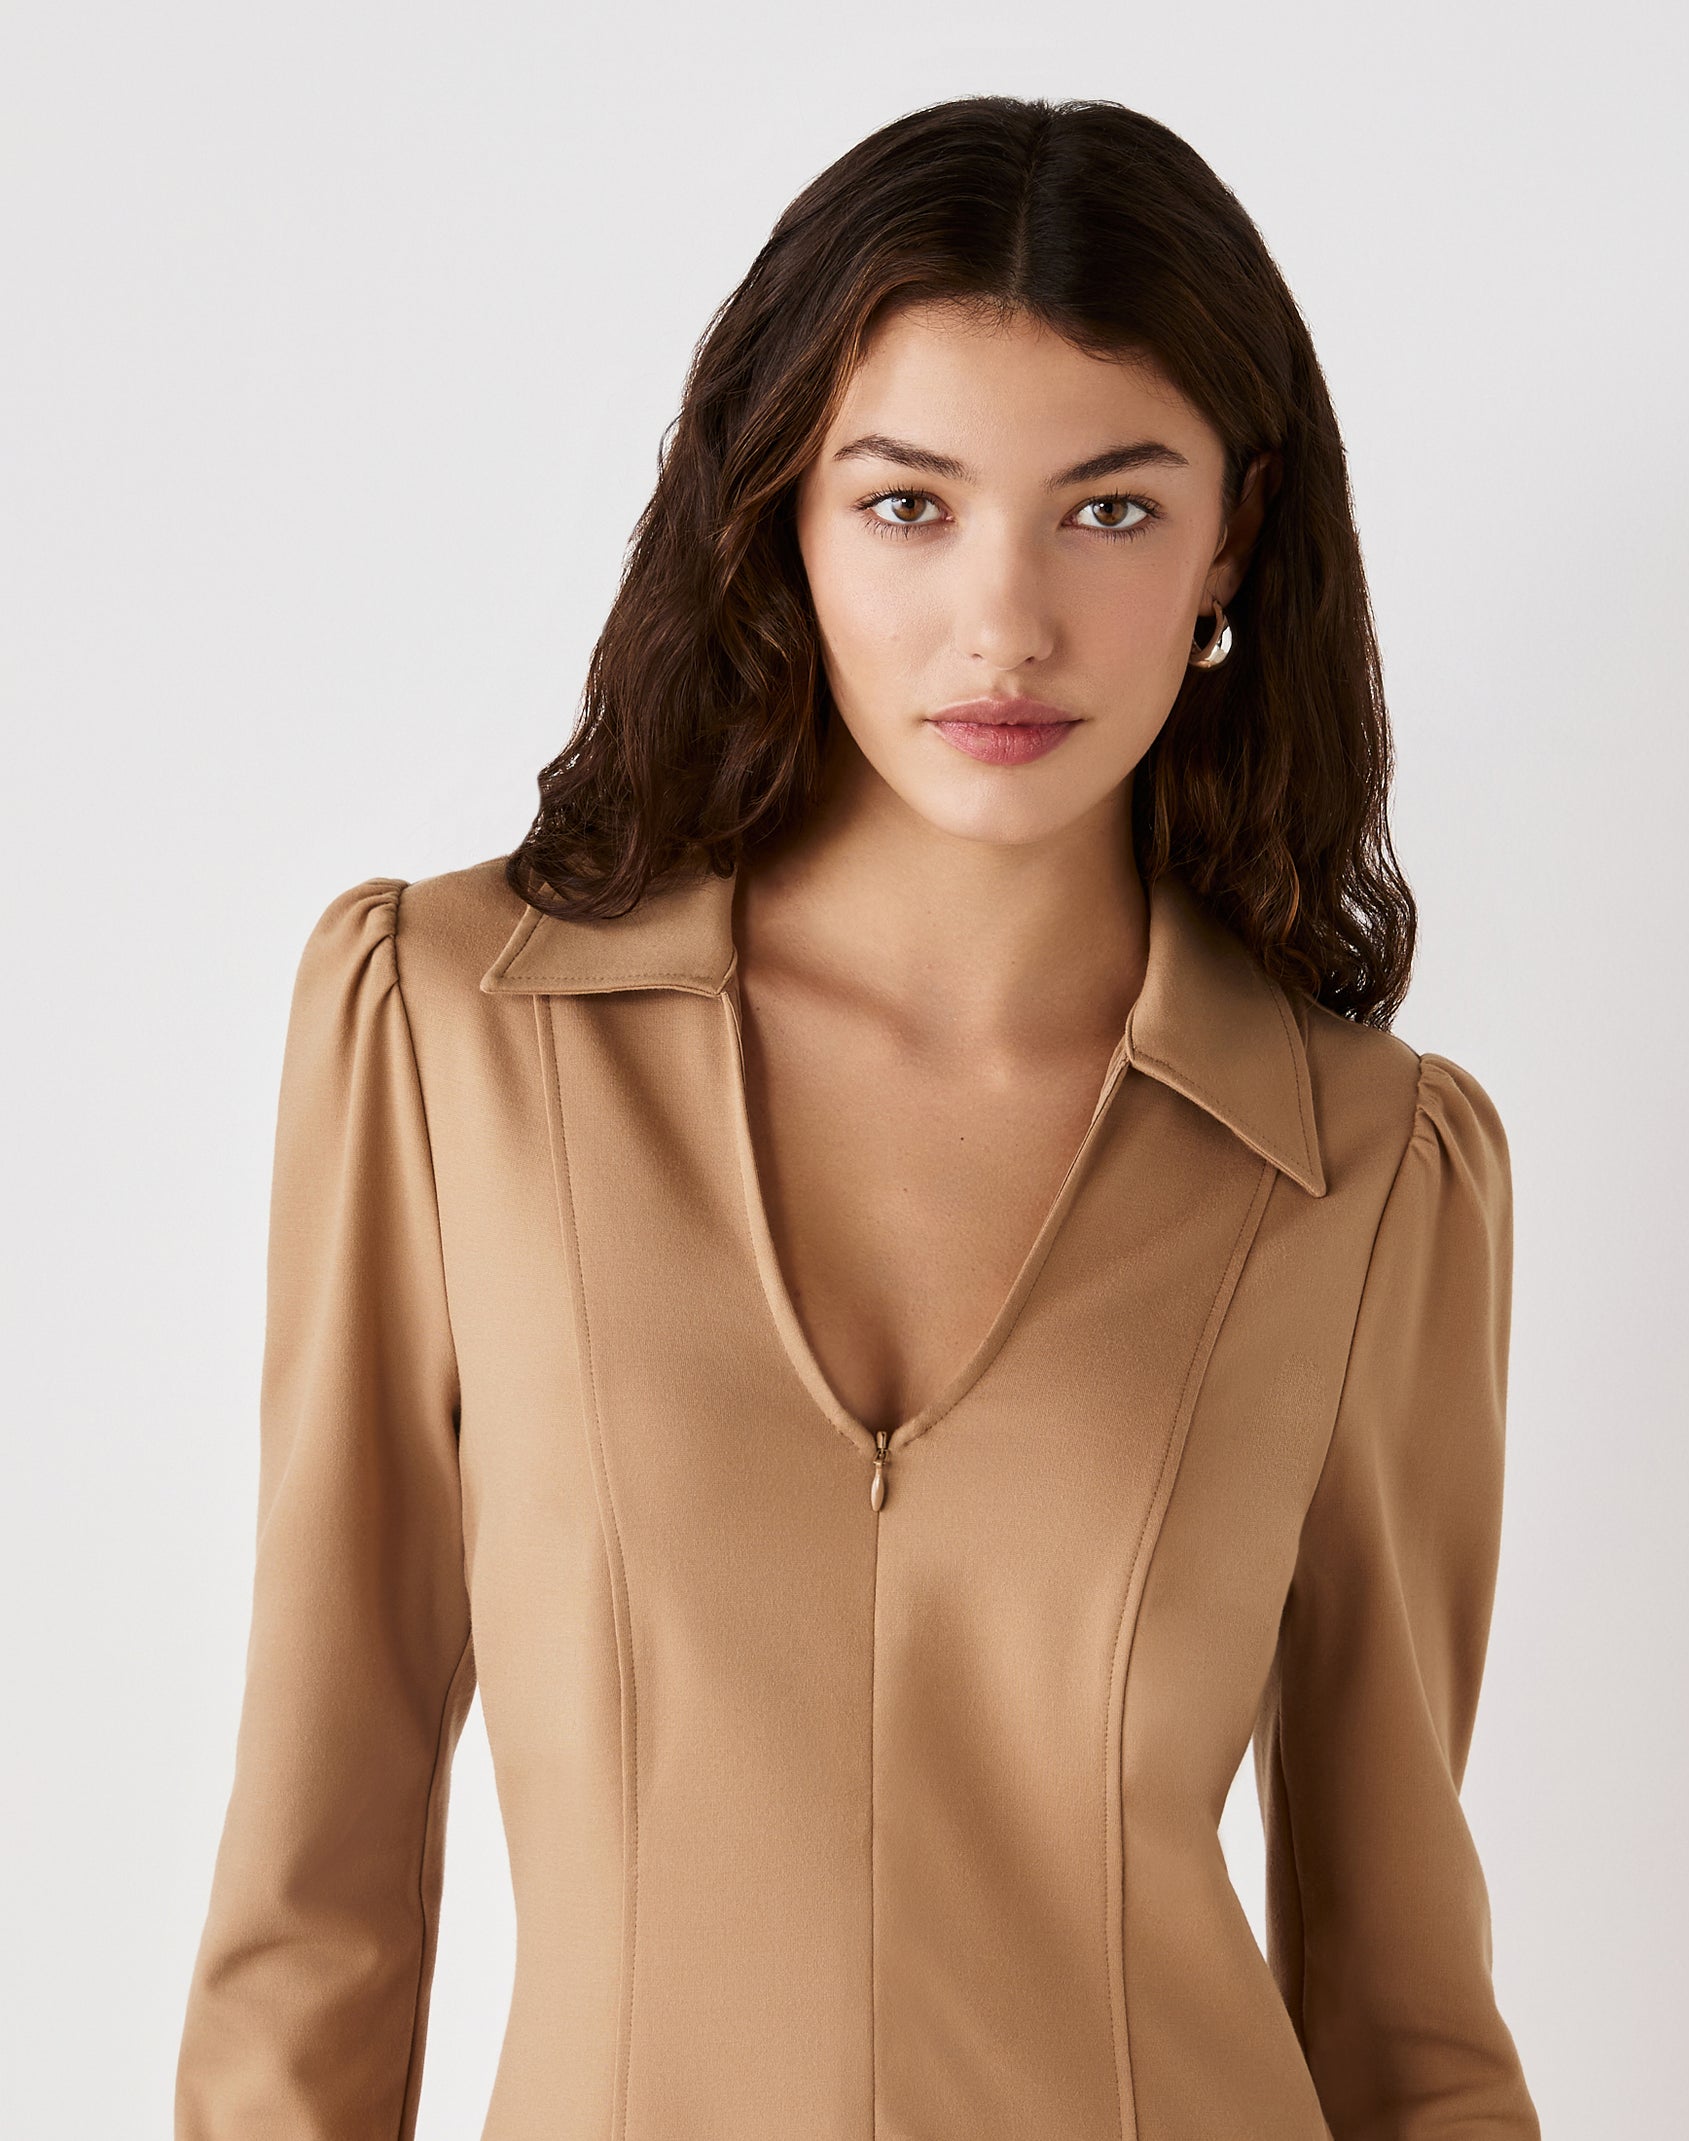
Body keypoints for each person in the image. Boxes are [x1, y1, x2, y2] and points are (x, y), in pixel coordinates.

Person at [174, 94, 1542, 2141]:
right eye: (908, 505)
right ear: (781, 508)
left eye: (1107, 509)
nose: (1002, 623)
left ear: (1231, 541)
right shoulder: (451, 1039)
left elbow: (1406, 2021)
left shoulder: (1364, 1167)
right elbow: (317, 1899)